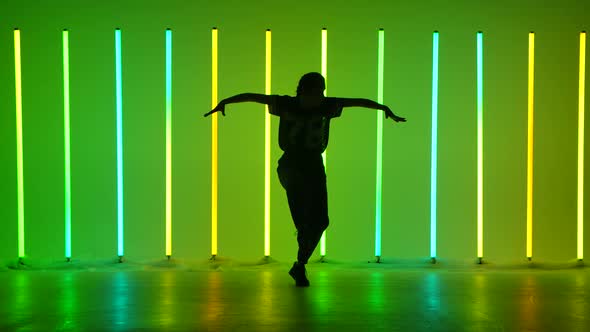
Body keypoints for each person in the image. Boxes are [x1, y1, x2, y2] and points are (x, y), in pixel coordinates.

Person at [204, 72, 406, 287]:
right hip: (291, 164)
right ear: (302, 91)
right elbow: (254, 96)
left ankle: (300, 264)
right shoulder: (285, 104)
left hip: (314, 165)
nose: (319, 96)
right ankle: (301, 249)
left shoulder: (328, 105)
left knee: (321, 221)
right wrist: (226, 101)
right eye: (315, 92)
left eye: (321, 92)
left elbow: (359, 102)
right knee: (303, 221)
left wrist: (384, 108)